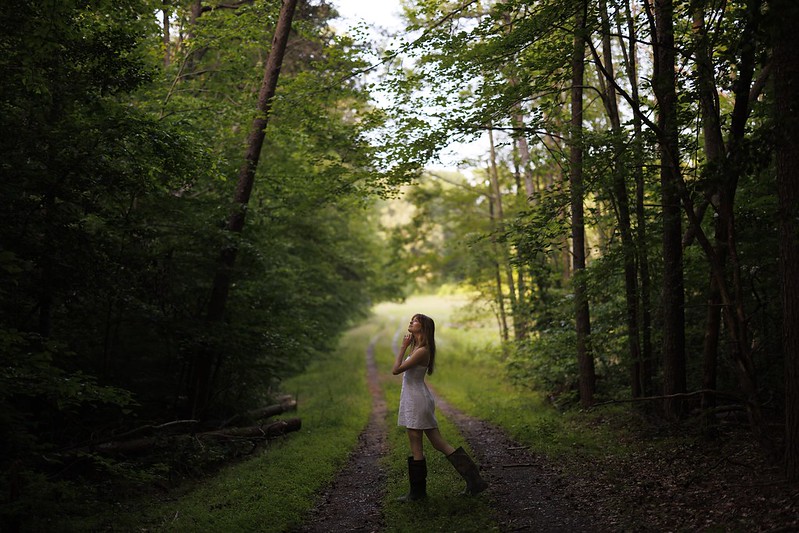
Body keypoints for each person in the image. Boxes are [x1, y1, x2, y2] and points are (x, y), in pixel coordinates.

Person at [392, 313, 488, 501]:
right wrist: (408, 345)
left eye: (415, 320)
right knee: (435, 442)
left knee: (419, 442)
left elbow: (396, 370)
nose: (411, 322)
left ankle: (418, 493)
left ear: (424, 327)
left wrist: (402, 347)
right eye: (411, 320)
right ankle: (474, 481)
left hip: (417, 400)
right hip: (415, 398)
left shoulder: (422, 351)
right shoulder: (419, 347)